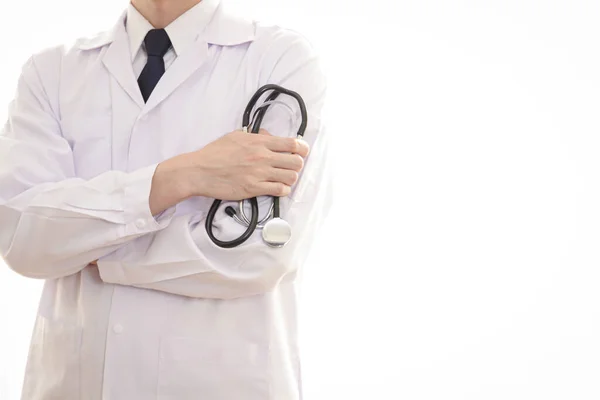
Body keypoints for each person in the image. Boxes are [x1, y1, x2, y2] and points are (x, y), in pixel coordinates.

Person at [0, 0, 332, 398]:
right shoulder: (50, 73)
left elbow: (262, 254)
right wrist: (182, 175)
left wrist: (85, 243)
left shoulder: (279, 60)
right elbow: (21, 236)